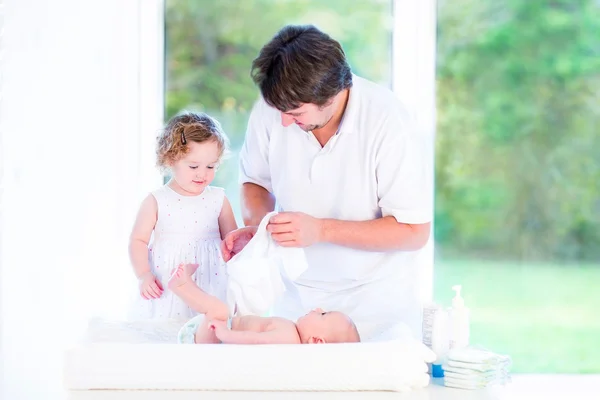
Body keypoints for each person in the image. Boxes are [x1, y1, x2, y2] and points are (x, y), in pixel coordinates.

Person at [221, 25, 432, 341]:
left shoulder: (388, 121)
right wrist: (260, 232)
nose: (283, 121)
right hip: (295, 301)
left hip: (375, 302)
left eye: (295, 113)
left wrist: (321, 230)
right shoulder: (275, 107)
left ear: (331, 94)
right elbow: (255, 183)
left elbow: (414, 232)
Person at [128, 112, 238, 320]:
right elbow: (138, 241)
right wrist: (144, 275)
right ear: (171, 159)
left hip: (211, 283)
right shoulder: (157, 200)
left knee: (209, 332)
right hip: (167, 283)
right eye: (193, 166)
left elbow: (232, 239)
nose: (202, 174)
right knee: (168, 333)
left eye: (211, 166)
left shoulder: (218, 199)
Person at [169, 263, 360, 344]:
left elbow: (255, 340)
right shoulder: (290, 331)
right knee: (220, 310)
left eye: (323, 315)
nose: (317, 309)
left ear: (317, 341)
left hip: (216, 339)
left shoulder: (288, 338)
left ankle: (182, 285)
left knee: (219, 310)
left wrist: (226, 334)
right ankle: (185, 284)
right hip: (217, 334)